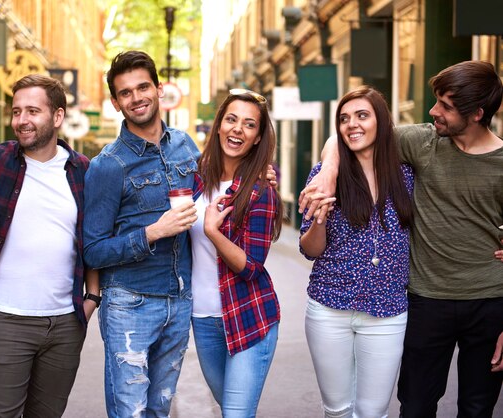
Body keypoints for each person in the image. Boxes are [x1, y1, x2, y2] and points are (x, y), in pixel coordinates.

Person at [299, 61, 503, 417]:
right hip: (426, 299)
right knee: (416, 405)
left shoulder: (490, 163)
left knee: (478, 407)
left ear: (477, 114)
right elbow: (346, 134)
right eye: (436, 100)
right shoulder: (423, 142)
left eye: (446, 106)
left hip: (488, 301)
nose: (433, 111)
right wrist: (329, 170)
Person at [0, 74, 99, 418]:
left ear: (57, 116)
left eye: (32, 111)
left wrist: (92, 299)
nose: (22, 120)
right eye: (16, 111)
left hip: (65, 324)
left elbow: (95, 238)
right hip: (5, 320)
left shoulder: (84, 171)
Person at [82, 50, 200, 417]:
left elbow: (214, 196)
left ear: (158, 88)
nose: (137, 98)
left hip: (179, 300)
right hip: (129, 304)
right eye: (126, 93)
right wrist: (152, 232)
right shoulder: (108, 165)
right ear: (116, 103)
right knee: (129, 412)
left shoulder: (186, 146)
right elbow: (93, 251)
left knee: (160, 410)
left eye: (143, 87)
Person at [299, 86, 414, 417]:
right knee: (336, 409)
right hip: (328, 308)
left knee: (373, 411)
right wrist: (318, 220)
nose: (352, 124)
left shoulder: (406, 175)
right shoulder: (324, 178)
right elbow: (310, 249)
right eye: (344, 119)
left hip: (388, 313)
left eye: (362, 115)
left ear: (381, 121)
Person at [189, 88, 283, 416]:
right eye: (231, 119)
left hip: (248, 316)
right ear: (218, 126)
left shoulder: (260, 192)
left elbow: (253, 267)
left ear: (257, 138)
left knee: (236, 414)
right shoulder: (196, 181)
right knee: (230, 408)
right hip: (203, 319)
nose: (237, 129)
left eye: (249, 124)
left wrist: (213, 231)